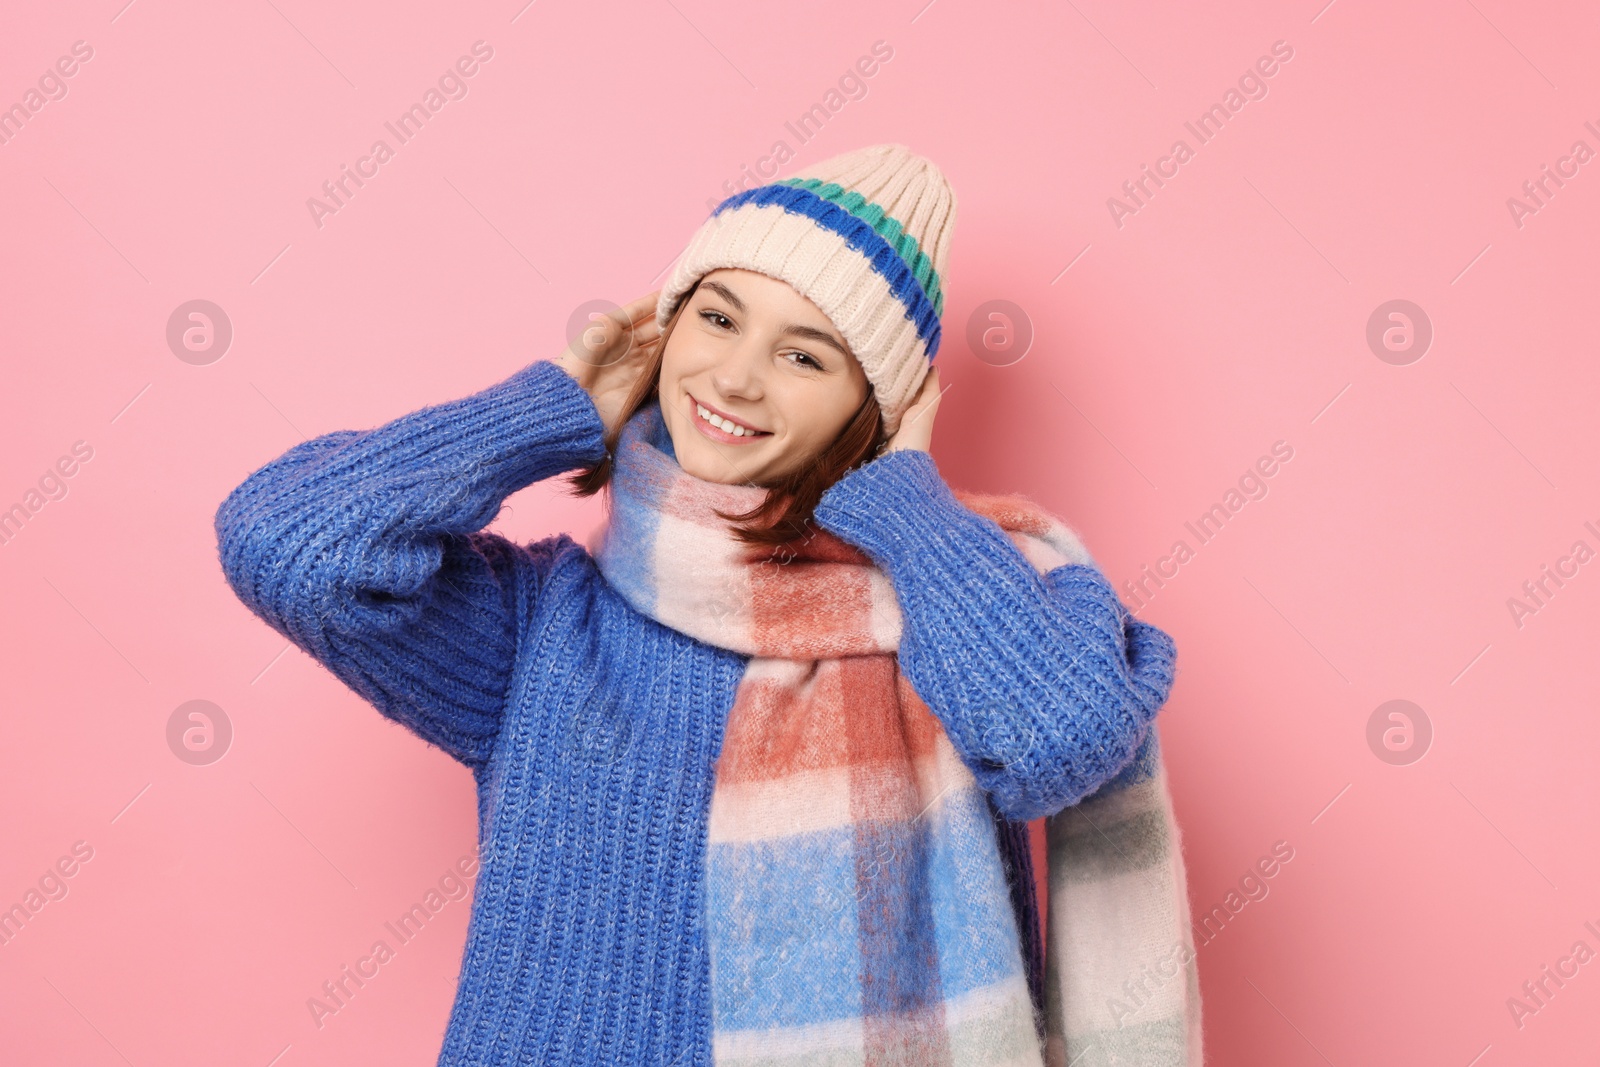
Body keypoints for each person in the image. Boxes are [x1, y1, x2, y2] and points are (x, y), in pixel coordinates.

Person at [214, 143, 1201, 1067]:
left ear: (879, 405)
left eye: (805, 356)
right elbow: (288, 544)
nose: (734, 376)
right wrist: (550, 408)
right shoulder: (542, 628)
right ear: (666, 324)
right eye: (719, 317)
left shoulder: (965, 603)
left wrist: (906, 499)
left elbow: (1059, 740)